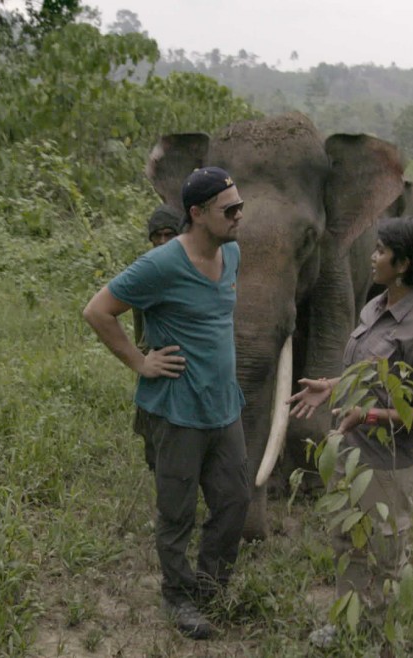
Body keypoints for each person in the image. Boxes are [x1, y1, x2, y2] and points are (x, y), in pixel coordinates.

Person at [83, 167, 250, 641]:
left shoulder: (232, 254)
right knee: (176, 512)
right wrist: (140, 362)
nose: (240, 216)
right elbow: (97, 311)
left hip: (225, 406)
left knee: (235, 500)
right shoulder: (161, 264)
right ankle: (178, 596)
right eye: (229, 210)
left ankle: (212, 587)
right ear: (196, 214)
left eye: (240, 207)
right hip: (178, 411)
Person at [287, 216, 413, 648]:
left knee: (384, 553)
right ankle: (347, 623)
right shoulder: (374, 308)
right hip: (352, 452)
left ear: (404, 264)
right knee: (346, 540)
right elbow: (370, 378)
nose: (372, 257)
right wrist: (332, 386)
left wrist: (369, 416)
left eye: (380, 251)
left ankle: (379, 638)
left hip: (387, 465)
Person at [132, 204, 184, 471]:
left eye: (169, 234)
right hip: (156, 357)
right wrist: (142, 359)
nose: (163, 241)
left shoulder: (192, 266)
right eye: (157, 236)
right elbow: (138, 322)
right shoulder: (145, 271)